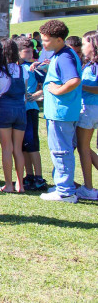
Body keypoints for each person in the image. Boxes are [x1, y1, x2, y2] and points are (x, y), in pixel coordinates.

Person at [38, 19, 82, 203]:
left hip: (61, 113)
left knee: (61, 151)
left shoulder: (64, 56)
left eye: (46, 40)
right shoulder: (61, 53)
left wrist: (57, 90)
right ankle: (62, 185)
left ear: (59, 39)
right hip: (62, 112)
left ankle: (65, 191)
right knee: (62, 150)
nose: (43, 43)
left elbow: (74, 80)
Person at [0, 38, 28, 193]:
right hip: (20, 110)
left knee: (6, 148)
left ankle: (8, 184)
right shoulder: (23, 70)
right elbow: (24, 93)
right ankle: (20, 185)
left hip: (4, 110)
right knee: (18, 148)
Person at [15, 37, 47, 191]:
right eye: (26, 51)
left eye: (31, 51)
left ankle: (39, 177)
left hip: (31, 109)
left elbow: (46, 85)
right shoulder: (16, 67)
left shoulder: (36, 67)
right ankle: (29, 176)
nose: (29, 54)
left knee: (33, 144)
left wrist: (35, 95)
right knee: (24, 146)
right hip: (19, 109)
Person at [75, 30, 98, 201]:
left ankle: (88, 188)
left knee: (83, 148)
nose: (82, 47)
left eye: (84, 43)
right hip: (90, 109)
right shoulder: (89, 64)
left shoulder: (94, 66)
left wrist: (80, 86)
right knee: (85, 147)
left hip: (90, 109)